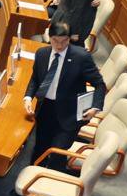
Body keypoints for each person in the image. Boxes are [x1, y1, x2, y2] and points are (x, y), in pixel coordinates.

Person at [23, 21, 105, 166]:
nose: (60, 46)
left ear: (70, 38)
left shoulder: (81, 57)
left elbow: (99, 84)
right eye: (55, 41)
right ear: (49, 36)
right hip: (45, 109)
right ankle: (29, 183)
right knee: (40, 148)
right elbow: (35, 79)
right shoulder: (42, 54)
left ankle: (51, 181)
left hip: (70, 113)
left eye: (64, 41)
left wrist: (95, 107)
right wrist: (28, 97)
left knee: (56, 152)